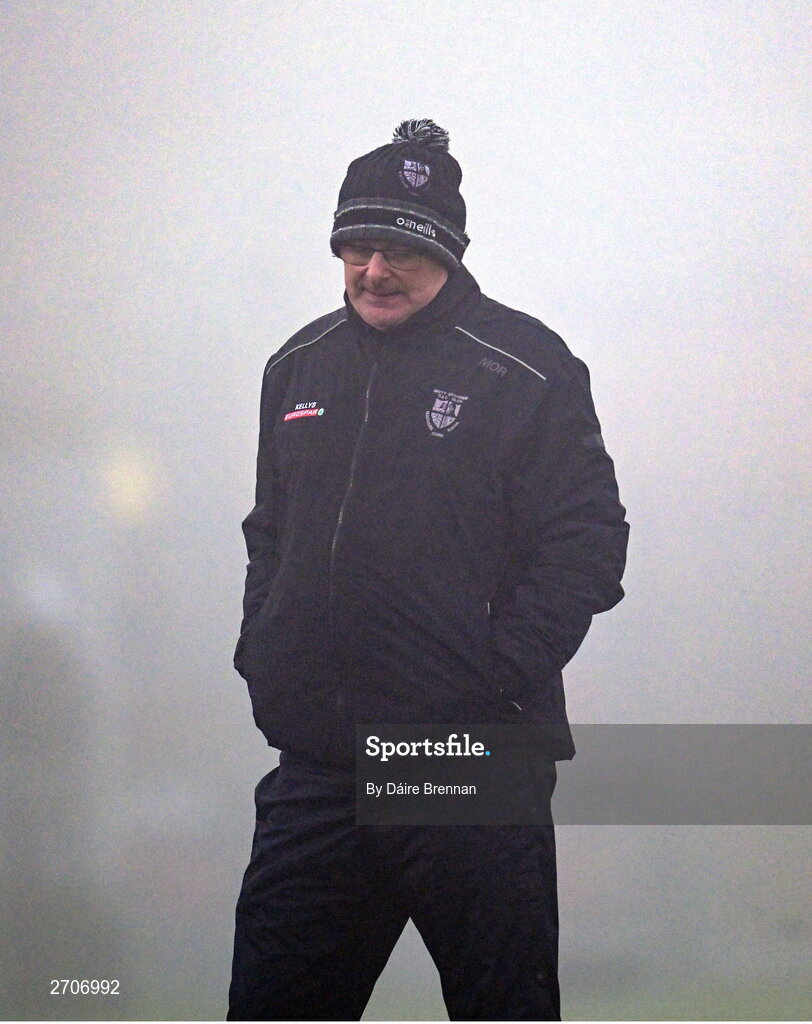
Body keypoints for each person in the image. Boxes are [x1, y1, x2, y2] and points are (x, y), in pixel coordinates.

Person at [228, 118, 628, 1021]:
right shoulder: (297, 366)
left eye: (401, 249)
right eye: (358, 247)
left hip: (467, 759)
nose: (376, 270)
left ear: (446, 253)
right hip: (322, 768)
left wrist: (487, 679)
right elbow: (270, 530)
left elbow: (590, 540)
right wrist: (265, 655)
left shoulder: (527, 367)